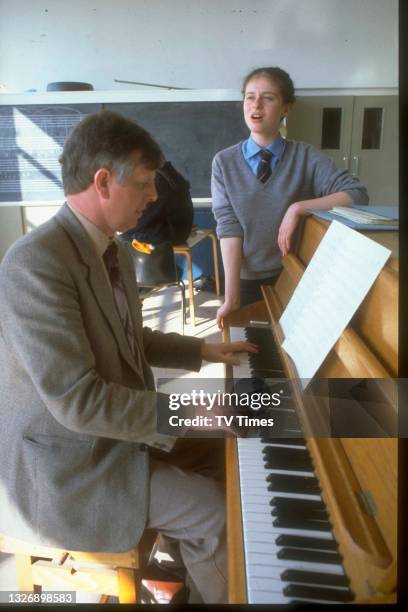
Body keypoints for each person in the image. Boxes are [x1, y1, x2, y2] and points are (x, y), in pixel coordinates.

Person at [0, 110, 256, 604]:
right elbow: (81, 403)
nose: (155, 196)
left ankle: (192, 574)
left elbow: (129, 336)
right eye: (144, 183)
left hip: (108, 443)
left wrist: (202, 348)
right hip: (68, 471)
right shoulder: (34, 264)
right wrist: (191, 410)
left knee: (227, 449)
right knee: (214, 516)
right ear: (102, 182)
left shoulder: (110, 248)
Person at [211, 66, 369, 328]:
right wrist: (231, 297)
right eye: (250, 97)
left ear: (286, 108)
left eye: (268, 97)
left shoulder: (305, 156)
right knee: (254, 354)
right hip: (246, 281)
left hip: (295, 278)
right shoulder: (223, 162)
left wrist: (299, 207)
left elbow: (357, 194)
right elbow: (228, 227)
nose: (256, 105)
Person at [119, 159, 194, 246]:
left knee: (122, 237)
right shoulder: (166, 172)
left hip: (168, 235)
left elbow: (145, 216)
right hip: (175, 231)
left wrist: (120, 227)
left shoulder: (158, 181)